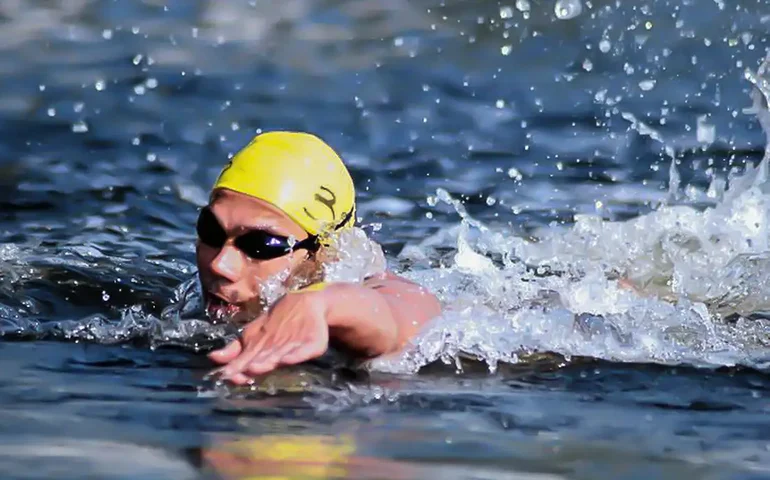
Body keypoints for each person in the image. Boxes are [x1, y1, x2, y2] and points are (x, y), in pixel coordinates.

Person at [197, 131, 442, 385]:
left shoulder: (384, 289)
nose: (219, 264)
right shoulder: (186, 314)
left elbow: (397, 319)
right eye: (211, 230)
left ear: (324, 253)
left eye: (260, 244)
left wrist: (317, 303)